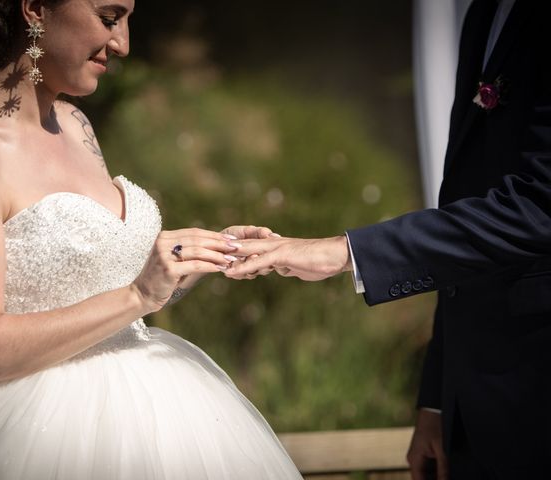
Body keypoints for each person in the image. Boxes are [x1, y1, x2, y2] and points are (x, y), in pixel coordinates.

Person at [0, 0, 302, 478]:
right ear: (35, 9)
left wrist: (198, 258)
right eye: (110, 18)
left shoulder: (75, 125)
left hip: (160, 410)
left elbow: (104, 283)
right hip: (39, 434)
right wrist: (139, 295)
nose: (122, 44)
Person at [227, 0, 551, 478]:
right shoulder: (483, 13)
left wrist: (345, 251)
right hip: (472, 402)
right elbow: (467, 205)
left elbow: (538, 206)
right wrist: (440, 401)